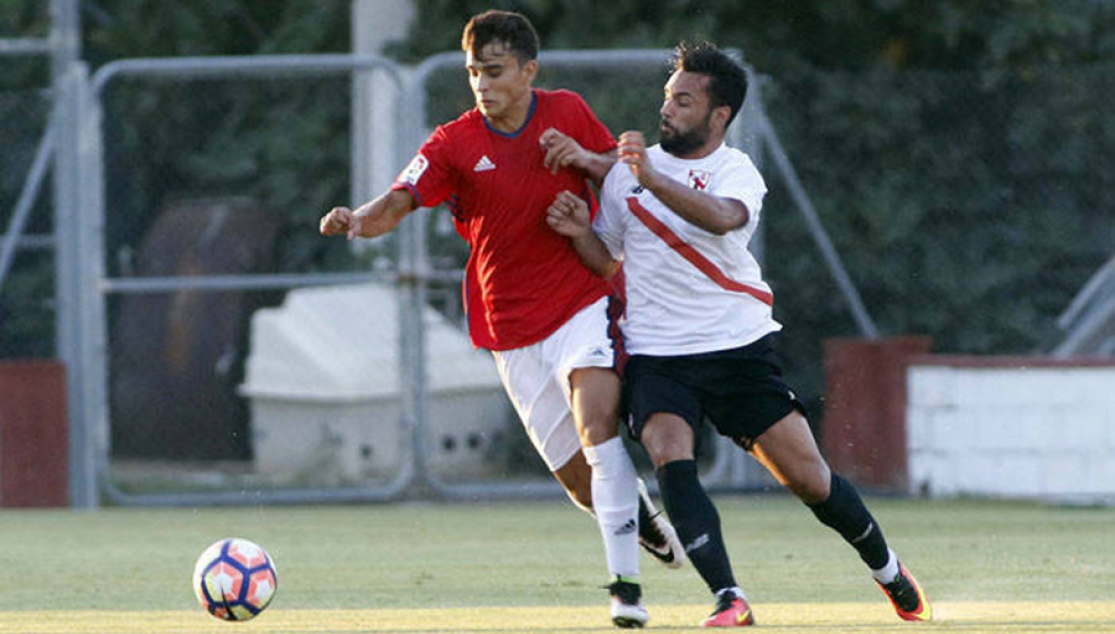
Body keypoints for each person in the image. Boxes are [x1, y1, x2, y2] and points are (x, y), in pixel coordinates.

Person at [547, 41, 932, 628]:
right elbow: (608, 262)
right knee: (669, 454)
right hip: (658, 355)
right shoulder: (627, 177)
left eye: (682, 100)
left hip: (737, 351)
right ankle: (729, 598)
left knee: (810, 480)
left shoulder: (734, 170)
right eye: (667, 97)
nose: (667, 109)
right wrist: (580, 231)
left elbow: (724, 218)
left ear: (718, 115)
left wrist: (648, 178)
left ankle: (889, 571)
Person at [319, 10, 683, 628]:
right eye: (472, 73)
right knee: (577, 483)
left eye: (494, 71)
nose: (481, 85)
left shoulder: (566, 110)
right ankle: (639, 518)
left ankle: (626, 591)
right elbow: (401, 198)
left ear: (528, 71)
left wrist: (584, 158)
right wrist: (358, 219)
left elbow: (619, 173)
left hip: (580, 301)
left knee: (598, 425)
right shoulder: (454, 142)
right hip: (510, 328)